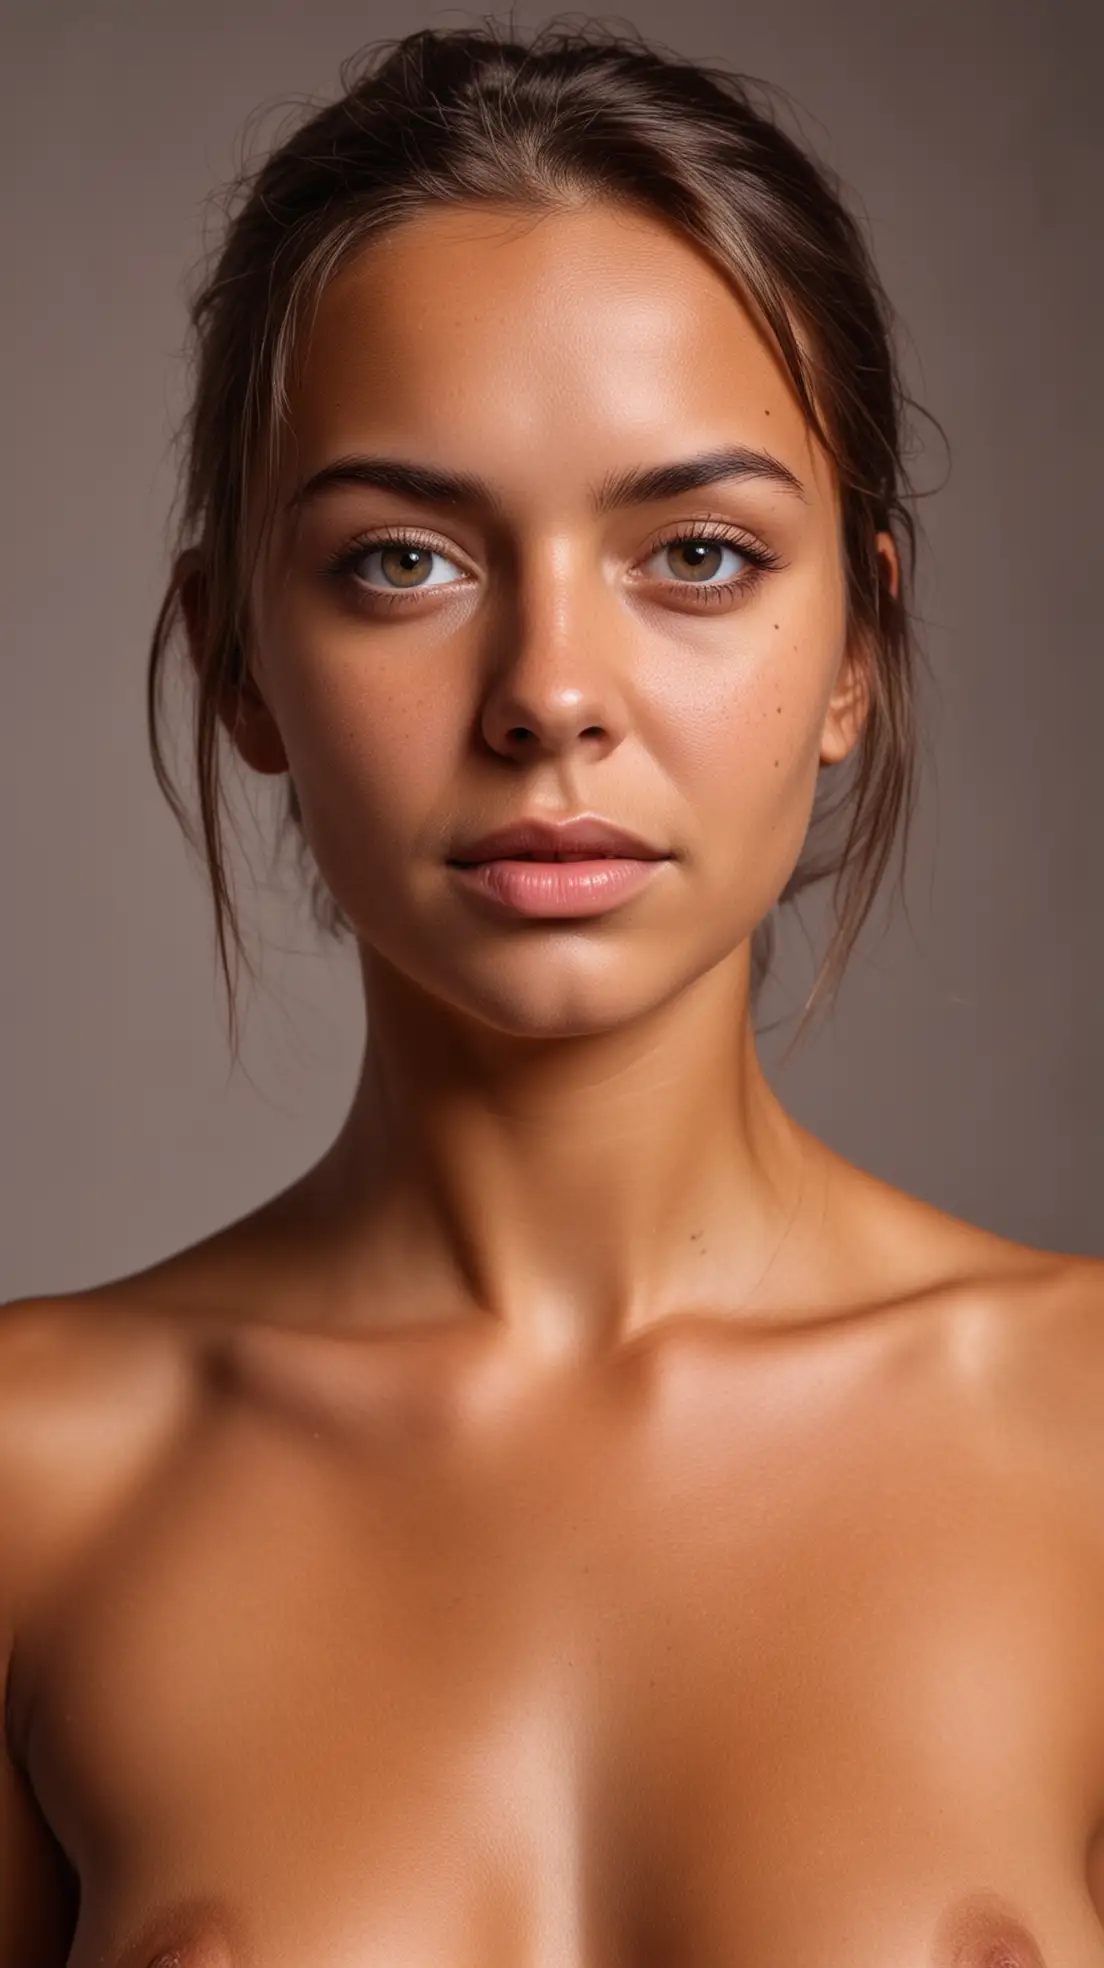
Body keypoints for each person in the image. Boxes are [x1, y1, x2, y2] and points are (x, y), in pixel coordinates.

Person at [2, 20, 1101, 1967]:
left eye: (695, 553)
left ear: (856, 650)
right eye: (404, 561)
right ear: (239, 663)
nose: (553, 692)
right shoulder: (36, 1486)